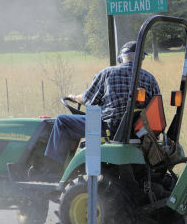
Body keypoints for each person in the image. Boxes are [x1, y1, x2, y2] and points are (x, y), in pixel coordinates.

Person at [43, 41, 161, 173]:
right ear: (141, 58)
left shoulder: (107, 74)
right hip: (139, 132)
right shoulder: (150, 79)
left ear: (121, 57)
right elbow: (155, 109)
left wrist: (74, 97)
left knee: (62, 121)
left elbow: (88, 100)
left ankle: (51, 171)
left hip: (108, 128)